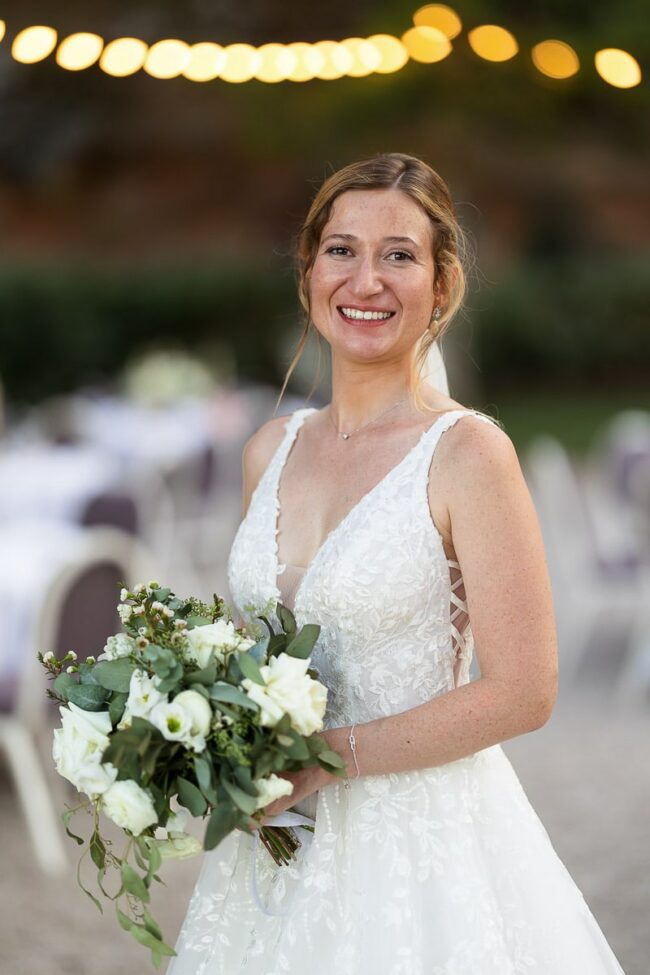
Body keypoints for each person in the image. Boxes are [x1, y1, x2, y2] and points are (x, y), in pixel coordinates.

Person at [166, 153, 626, 973]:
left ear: (442, 286)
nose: (366, 280)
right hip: (273, 845)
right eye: (342, 250)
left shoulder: (468, 453)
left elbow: (526, 689)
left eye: (399, 255)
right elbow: (252, 658)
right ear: (309, 273)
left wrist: (327, 758)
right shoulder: (269, 449)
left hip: (422, 851)